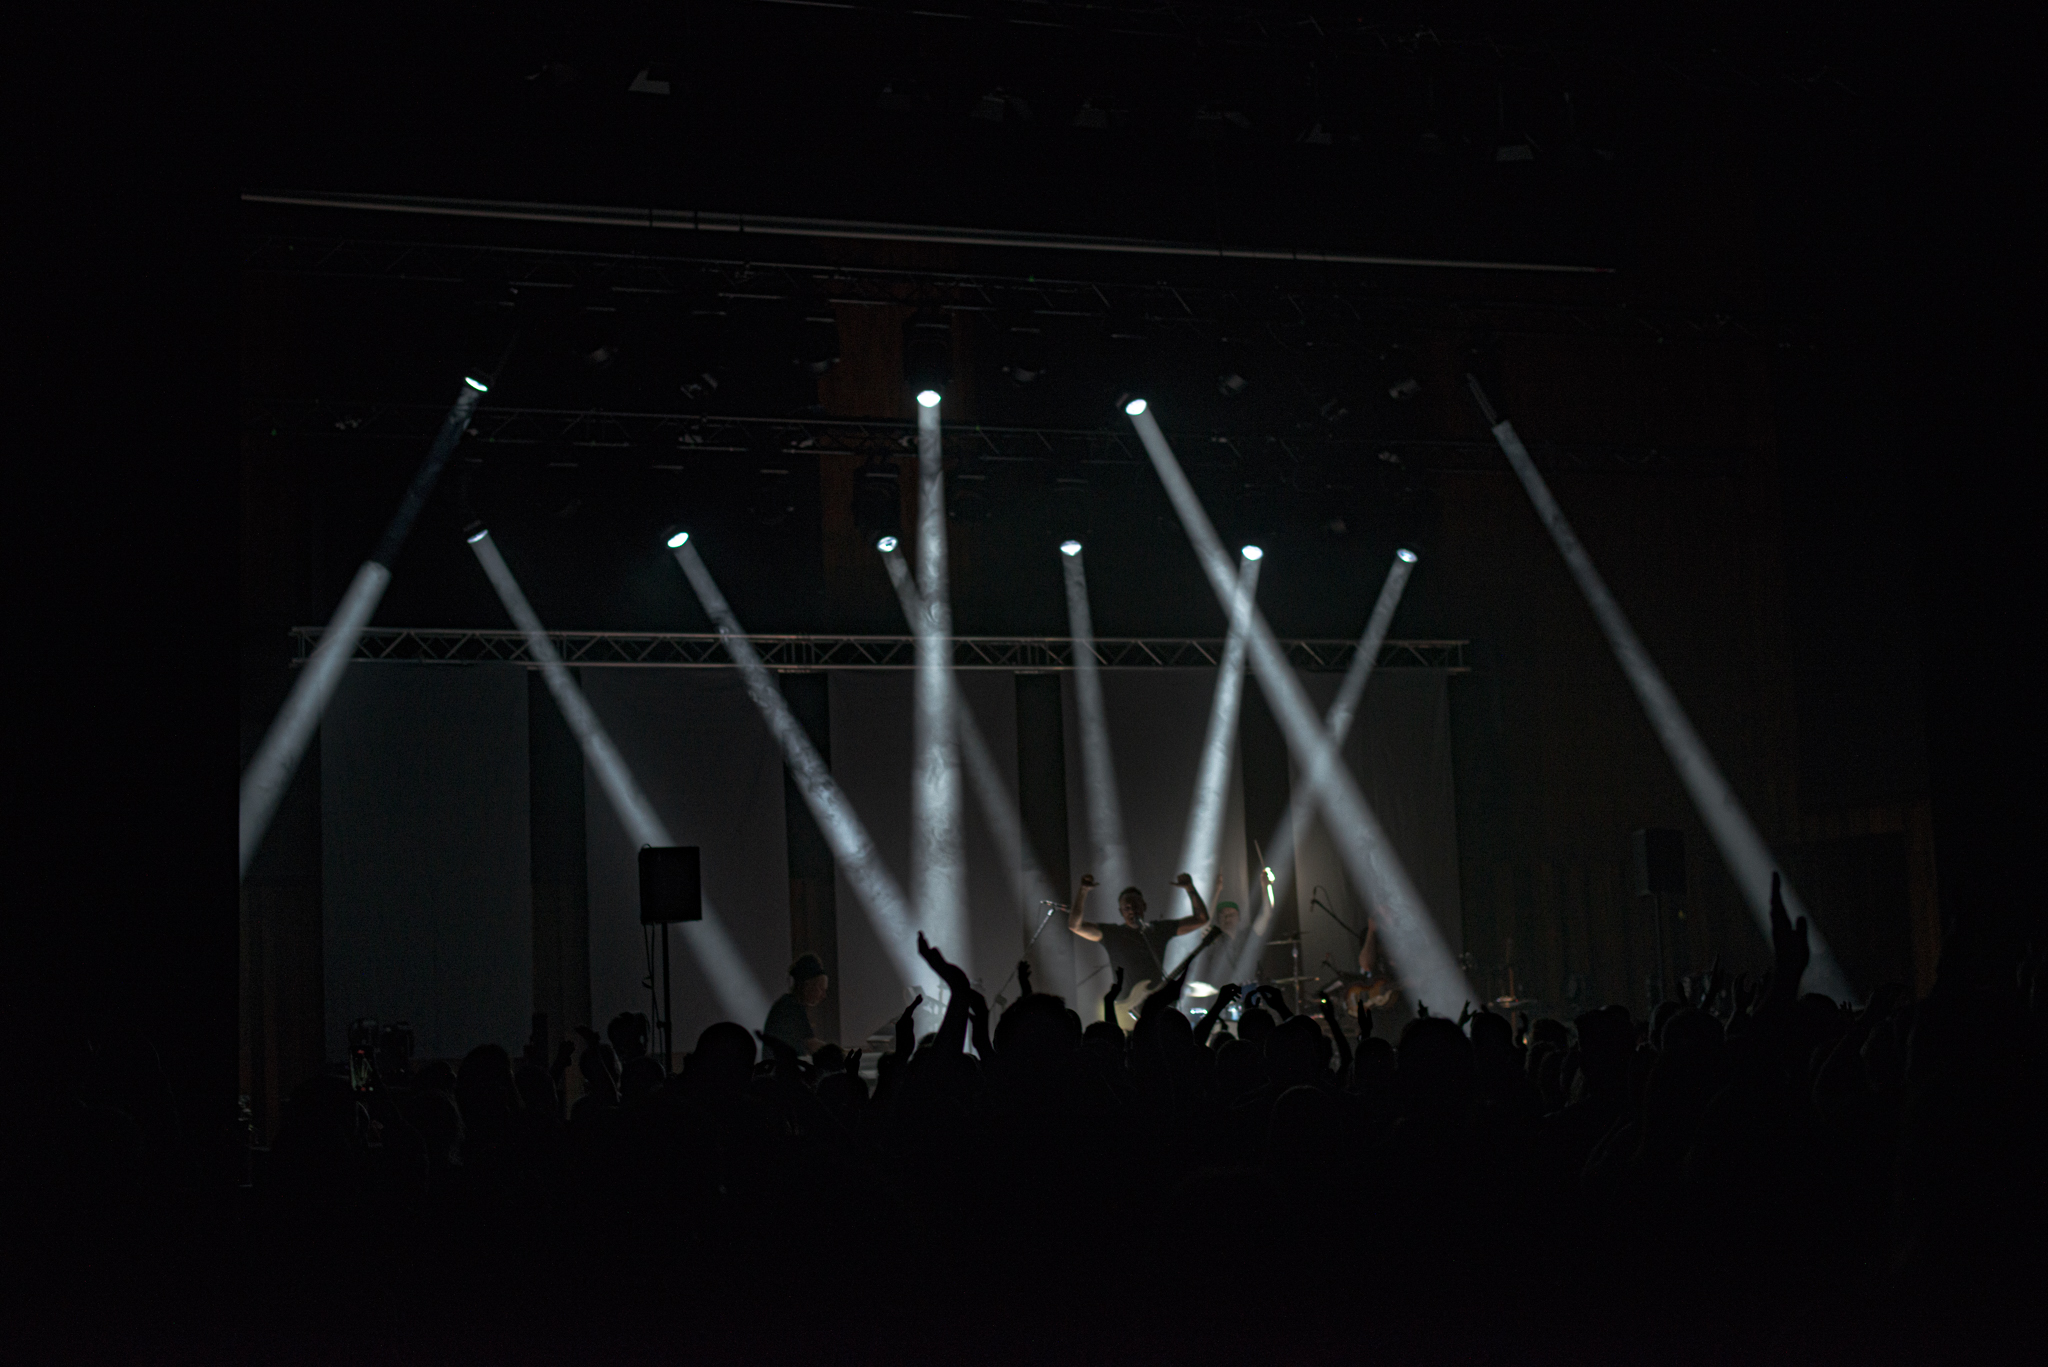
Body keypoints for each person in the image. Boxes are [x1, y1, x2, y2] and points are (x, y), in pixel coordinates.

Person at [1066, 871, 1209, 1020]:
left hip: (1155, 1006)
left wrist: (1189, 888)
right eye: (1127, 908)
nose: (1132, 911)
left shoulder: (1158, 930)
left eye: (1136, 906)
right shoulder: (1112, 933)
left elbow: (1201, 919)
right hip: (1125, 1008)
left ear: (1144, 906)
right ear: (1120, 912)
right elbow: (1075, 926)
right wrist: (1083, 890)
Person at [763, 953, 832, 1057]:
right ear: (807, 985)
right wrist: (841, 1053)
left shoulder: (787, 1004)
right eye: (821, 989)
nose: (823, 995)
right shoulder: (791, 1008)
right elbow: (812, 1046)